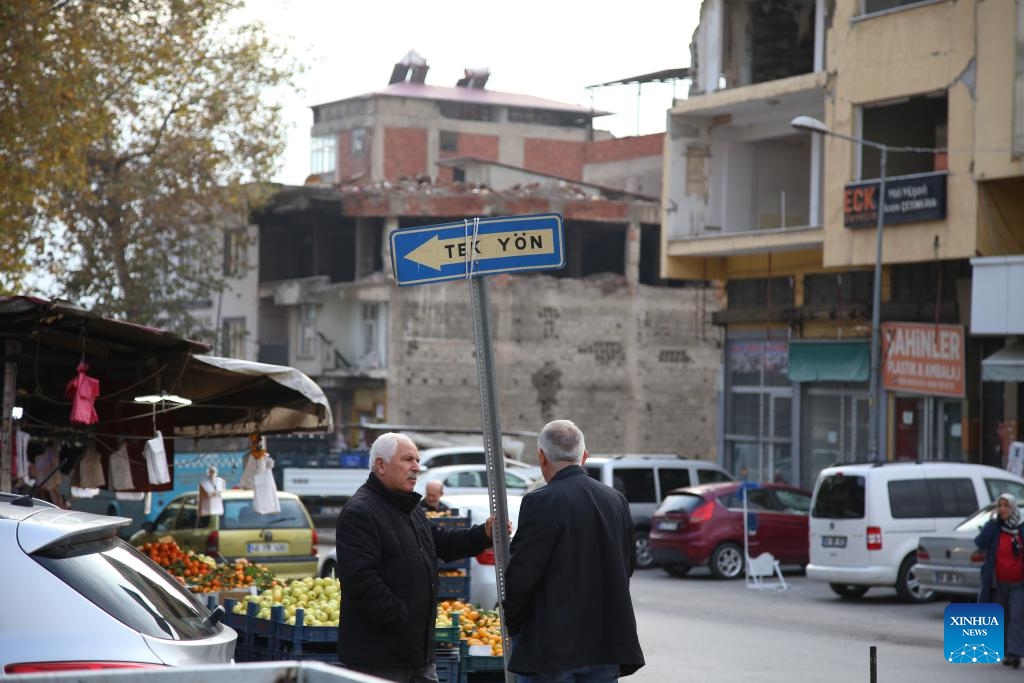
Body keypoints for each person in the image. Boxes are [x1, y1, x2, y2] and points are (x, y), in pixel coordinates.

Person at [335, 432, 495, 683]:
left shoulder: (408, 508)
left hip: (418, 653)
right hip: (381, 659)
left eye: (417, 460)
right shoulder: (361, 512)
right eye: (408, 459)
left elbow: (441, 542)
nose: (416, 468)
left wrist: (483, 534)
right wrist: (402, 617)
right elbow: (360, 579)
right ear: (380, 465)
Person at [503, 419, 645, 682]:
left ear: (541, 457)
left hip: (552, 649)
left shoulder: (540, 501)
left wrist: (515, 625)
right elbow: (627, 565)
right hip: (605, 644)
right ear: (584, 457)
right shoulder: (616, 500)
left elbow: (521, 576)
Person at [976, 492, 1024, 668]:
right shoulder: (996, 528)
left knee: (1016, 616)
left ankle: (1015, 653)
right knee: (1002, 617)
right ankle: (1006, 651)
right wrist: (992, 521)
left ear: (1012, 508)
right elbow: (980, 542)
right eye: (1000, 506)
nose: (1003, 509)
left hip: (1019, 583)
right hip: (999, 582)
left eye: (1006, 506)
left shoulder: (1020, 528)